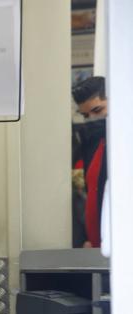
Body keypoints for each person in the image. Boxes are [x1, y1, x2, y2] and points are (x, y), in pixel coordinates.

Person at [72, 76, 107, 248]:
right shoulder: (90, 142)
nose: (92, 119)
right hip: (96, 247)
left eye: (98, 110)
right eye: (86, 115)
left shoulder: (123, 147)